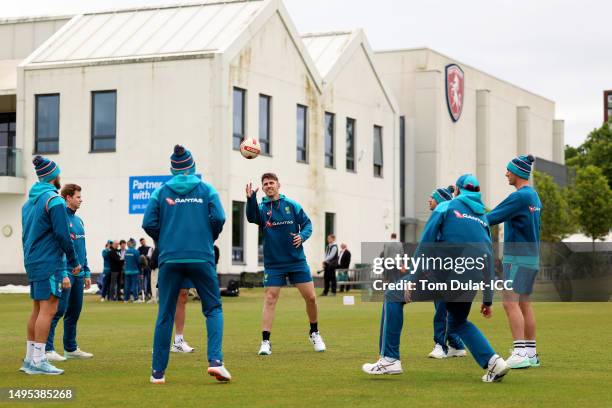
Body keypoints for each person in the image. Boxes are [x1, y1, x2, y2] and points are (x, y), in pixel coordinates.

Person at [362, 175, 510, 383]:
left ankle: (389, 359)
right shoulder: (483, 220)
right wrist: (487, 299)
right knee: (458, 323)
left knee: (393, 295)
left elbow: (426, 243)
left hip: (443, 276)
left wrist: (413, 277)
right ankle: (495, 363)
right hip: (469, 281)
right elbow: (488, 259)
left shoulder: (446, 207)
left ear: (457, 190)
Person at [143, 145, 229, 384]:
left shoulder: (160, 192)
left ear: (172, 169)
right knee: (212, 309)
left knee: (165, 314)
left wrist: (165, 238)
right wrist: (208, 236)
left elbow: (148, 222)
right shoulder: (207, 189)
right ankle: (215, 362)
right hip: (201, 256)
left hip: (170, 258)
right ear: (193, 166)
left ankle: (157, 374)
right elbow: (220, 218)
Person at [246, 173, 326, 356]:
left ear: (278, 185)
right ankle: (265, 341)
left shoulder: (292, 205)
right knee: (270, 298)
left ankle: (314, 332)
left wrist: (302, 236)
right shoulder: (261, 207)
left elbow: (308, 225)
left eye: (271, 183)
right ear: (263, 188)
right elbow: (251, 218)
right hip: (274, 264)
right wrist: (250, 199)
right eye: (265, 184)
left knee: (311, 297)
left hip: (296, 261)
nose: (268, 186)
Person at [20, 156, 81, 375]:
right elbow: (63, 234)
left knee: (37, 309)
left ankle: (29, 359)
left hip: (33, 259)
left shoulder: (28, 203)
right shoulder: (54, 199)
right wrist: (74, 262)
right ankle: (38, 360)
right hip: (49, 261)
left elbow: (26, 234)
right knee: (49, 308)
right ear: (54, 176)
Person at [486, 154, 542, 369]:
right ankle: (530, 354)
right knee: (524, 304)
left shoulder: (519, 197)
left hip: (517, 258)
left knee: (509, 302)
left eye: (509, 170)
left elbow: (490, 218)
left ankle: (519, 353)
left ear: (518, 172)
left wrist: (466, 218)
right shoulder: (533, 196)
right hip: (531, 257)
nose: (506, 173)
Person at [45, 184, 94, 361]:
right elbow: (59, 247)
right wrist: (63, 273)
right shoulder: (60, 218)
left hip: (79, 274)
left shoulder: (79, 221)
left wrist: (87, 272)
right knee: (58, 311)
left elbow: (82, 249)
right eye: (78, 197)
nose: (81, 199)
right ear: (67, 198)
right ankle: (48, 349)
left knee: (74, 312)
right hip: (64, 272)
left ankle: (71, 348)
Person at [426, 186, 467, 359]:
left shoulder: (446, 220)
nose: (429, 200)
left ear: (440, 201)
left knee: (442, 310)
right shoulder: (441, 217)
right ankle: (456, 345)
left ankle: (440, 345)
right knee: (444, 309)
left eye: (432, 197)